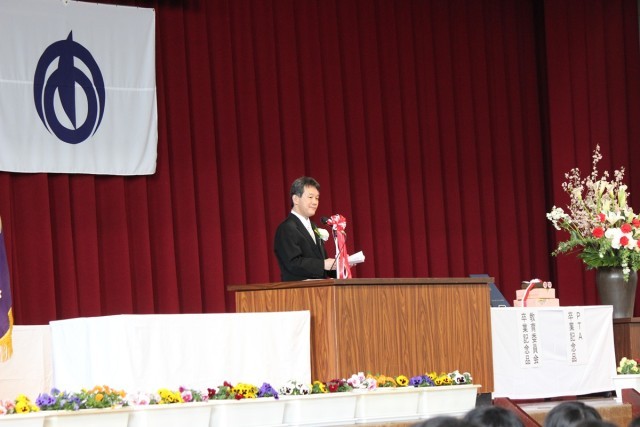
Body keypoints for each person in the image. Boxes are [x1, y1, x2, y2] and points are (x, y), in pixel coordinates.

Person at [274, 176, 336, 281]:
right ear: (296, 199)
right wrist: (323, 264)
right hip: (298, 289)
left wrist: (339, 265)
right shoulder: (286, 228)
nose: (315, 202)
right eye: (310, 197)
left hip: (319, 288)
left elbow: (322, 265)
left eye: (317, 198)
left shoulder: (313, 226)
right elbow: (293, 263)